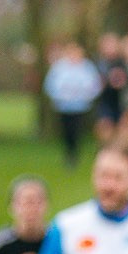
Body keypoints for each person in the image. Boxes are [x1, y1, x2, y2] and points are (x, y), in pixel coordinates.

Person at [42, 41, 102, 169]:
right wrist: (61, 95)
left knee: (76, 130)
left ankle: (74, 153)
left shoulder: (87, 67)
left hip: (80, 106)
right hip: (63, 105)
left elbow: (94, 85)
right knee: (66, 130)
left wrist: (85, 95)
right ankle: (69, 152)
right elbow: (50, 85)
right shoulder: (59, 67)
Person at [94, 32, 128, 143]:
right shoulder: (98, 63)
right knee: (105, 127)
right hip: (105, 101)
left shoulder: (123, 62)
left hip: (122, 101)